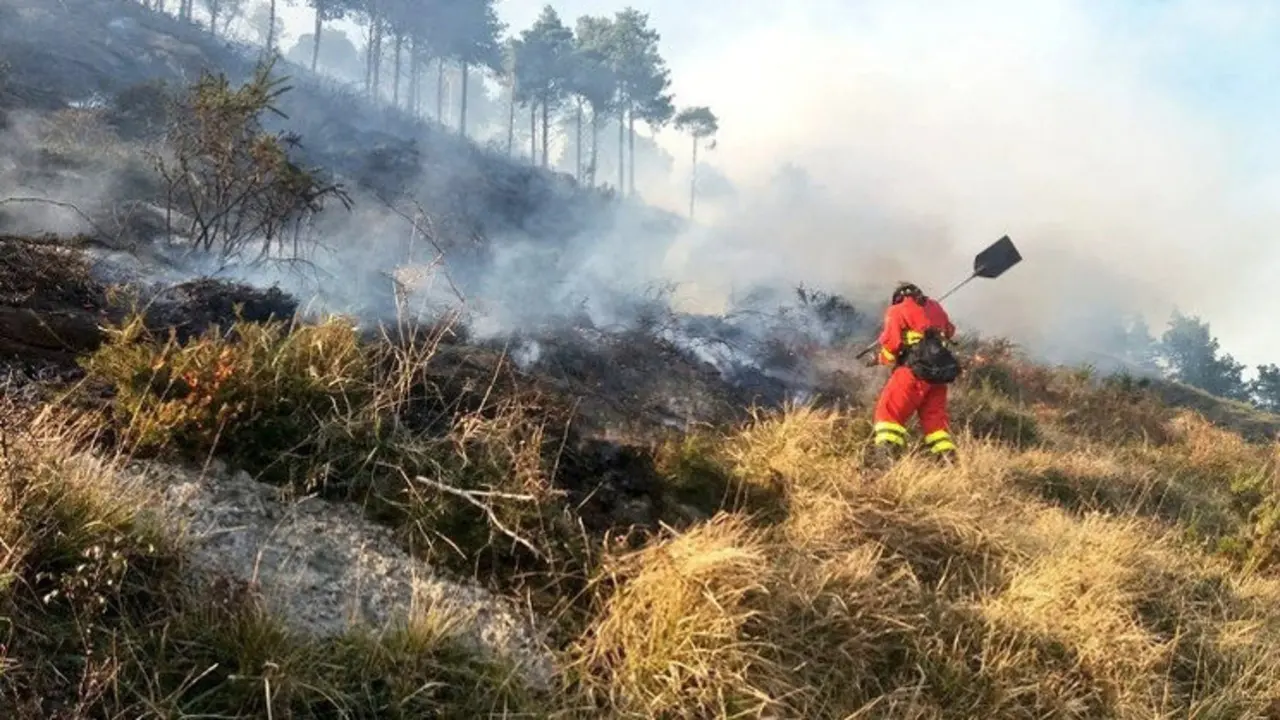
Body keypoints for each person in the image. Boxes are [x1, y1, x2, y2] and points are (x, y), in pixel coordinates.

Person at [864, 282, 961, 465]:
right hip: (938, 376)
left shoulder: (897, 310)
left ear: (898, 297)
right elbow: (950, 331)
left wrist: (879, 359)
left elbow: (892, 345)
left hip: (912, 372)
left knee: (888, 415)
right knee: (936, 424)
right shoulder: (936, 307)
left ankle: (885, 463)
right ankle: (950, 464)